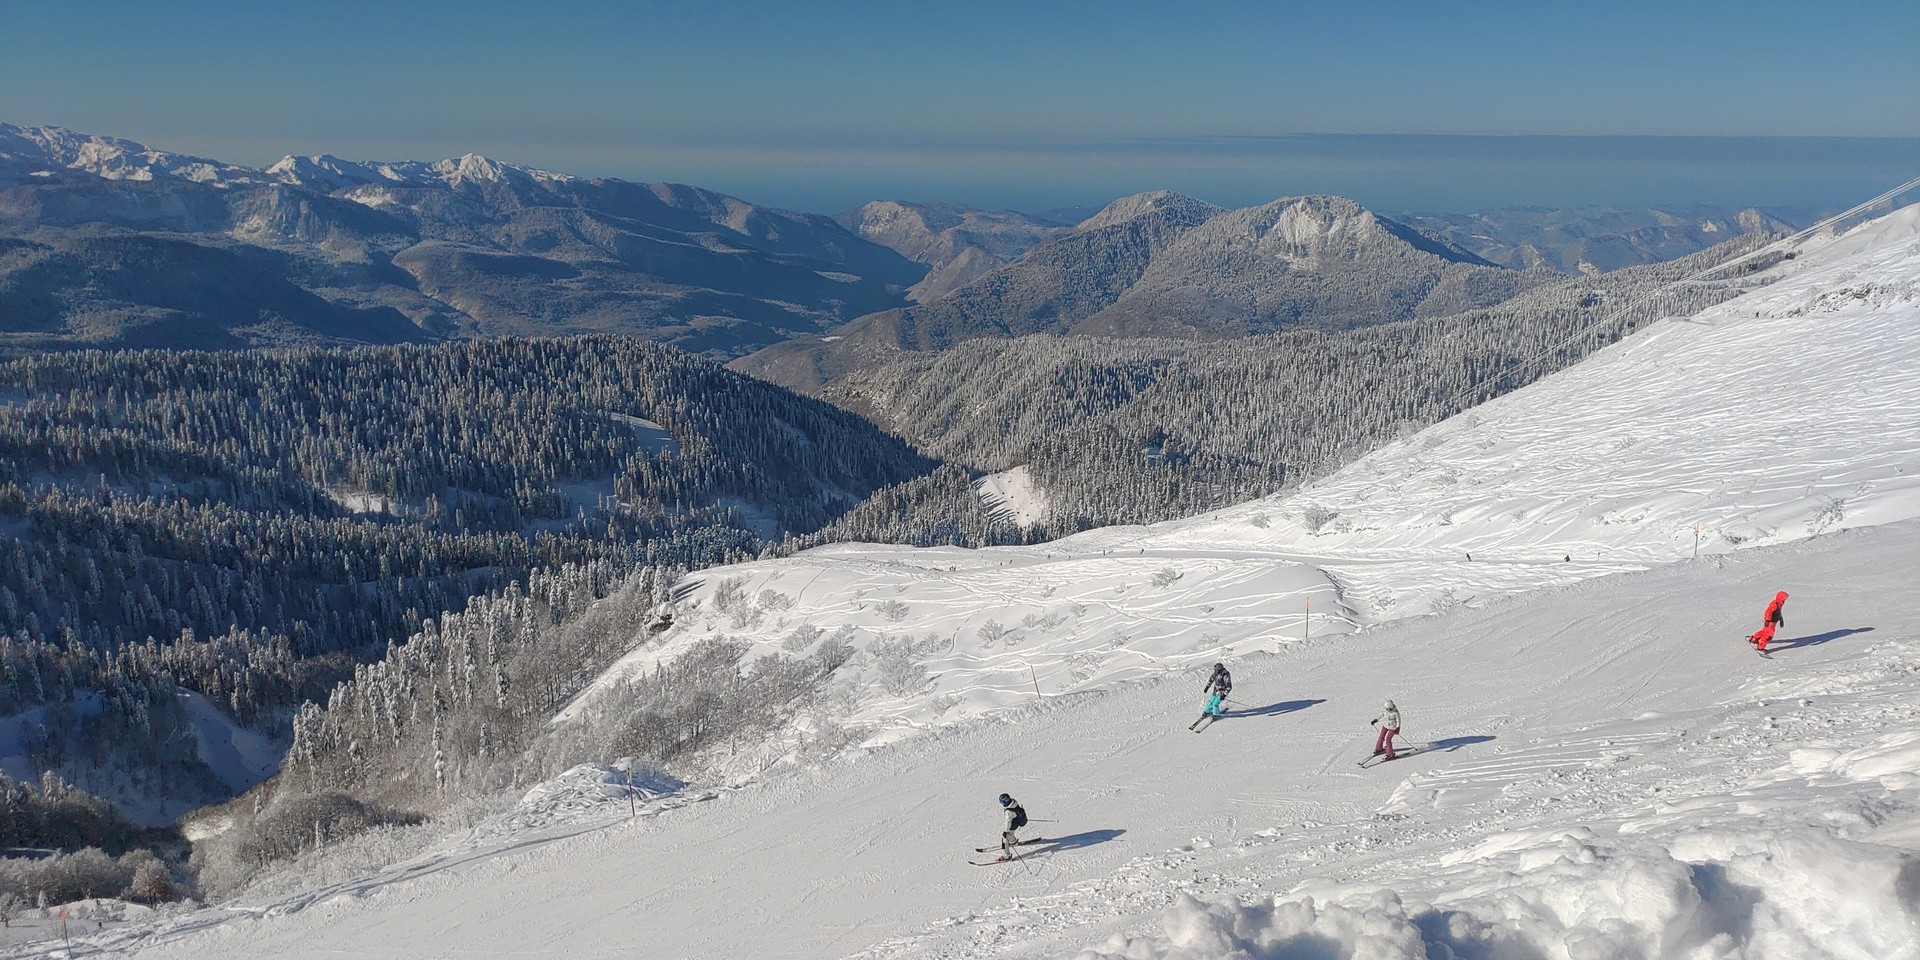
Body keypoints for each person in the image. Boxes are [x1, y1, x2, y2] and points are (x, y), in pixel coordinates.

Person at [998, 793, 1028, 857]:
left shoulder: (1009, 812)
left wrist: (1005, 831)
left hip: (1013, 824)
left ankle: (1006, 856)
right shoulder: (1013, 801)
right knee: (1010, 834)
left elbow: (1008, 822)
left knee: (1005, 838)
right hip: (1017, 820)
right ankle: (1014, 841)